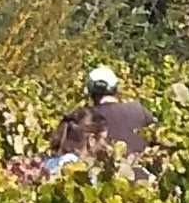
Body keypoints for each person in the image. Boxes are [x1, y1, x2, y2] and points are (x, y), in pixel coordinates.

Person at [26, 63, 159, 182]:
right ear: (116, 89)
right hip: (140, 181)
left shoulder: (87, 117)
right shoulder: (139, 110)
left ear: (90, 91)